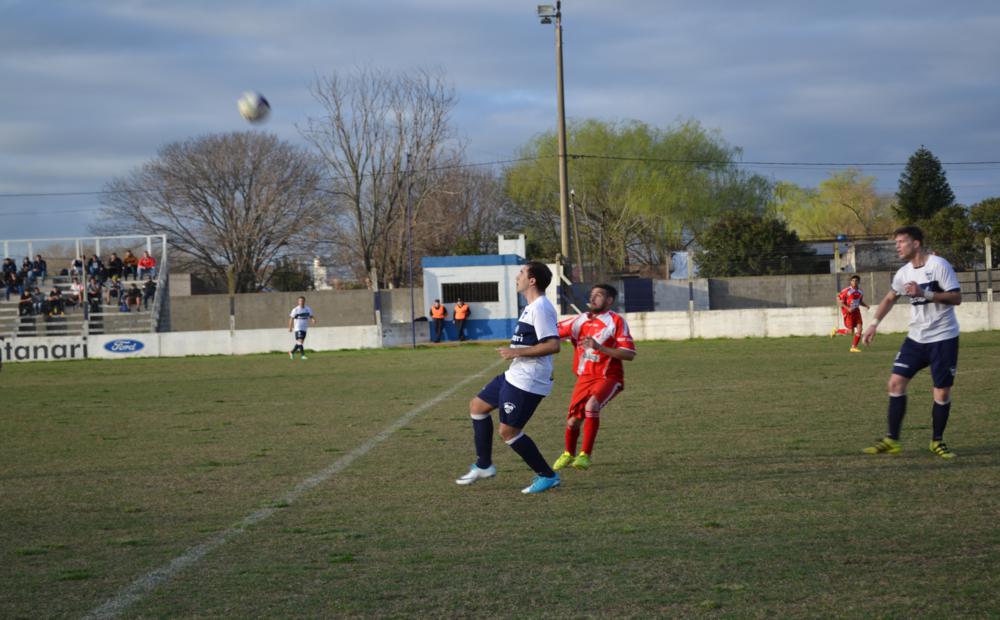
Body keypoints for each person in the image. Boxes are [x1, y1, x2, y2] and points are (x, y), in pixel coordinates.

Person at [455, 262, 562, 494]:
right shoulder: (531, 307)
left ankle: (548, 475)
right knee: (477, 406)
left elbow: (554, 345)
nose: (517, 276)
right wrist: (517, 353)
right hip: (515, 373)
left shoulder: (541, 308)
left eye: (522, 272)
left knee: (508, 432)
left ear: (532, 280)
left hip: (529, 380)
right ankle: (484, 465)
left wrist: (517, 352)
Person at [861, 225, 962, 459]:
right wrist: (874, 324)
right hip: (916, 339)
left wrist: (924, 293)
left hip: (943, 338)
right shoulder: (903, 273)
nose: (897, 246)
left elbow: (956, 297)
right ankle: (892, 440)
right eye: (896, 242)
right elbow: (889, 298)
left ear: (916, 243)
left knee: (941, 392)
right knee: (895, 383)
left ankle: (937, 441)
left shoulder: (939, 265)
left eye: (901, 242)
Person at [552, 284, 637, 471]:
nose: (593, 298)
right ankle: (568, 454)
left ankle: (585, 455)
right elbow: (553, 331)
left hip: (608, 376)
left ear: (609, 300)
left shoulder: (616, 321)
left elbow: (629, 354)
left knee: (592, 406)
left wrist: (600, 347)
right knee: (573, 421)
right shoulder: (580, 320)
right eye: (592, 295)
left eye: (598, 295)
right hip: (584, 378)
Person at [831, 274, 870, 352]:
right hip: (848, 313)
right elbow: (840, 301)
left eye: (856, 281)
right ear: (850, 282)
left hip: (856, 311)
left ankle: (853, 347)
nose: (854, 282)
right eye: (853, 280)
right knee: (850, 332)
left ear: (858, 282)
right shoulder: (847, 290)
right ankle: (836, 331)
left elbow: (860, 301)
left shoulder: (860, 291)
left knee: (860, 329)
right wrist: (848, 308)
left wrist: (866, 305)